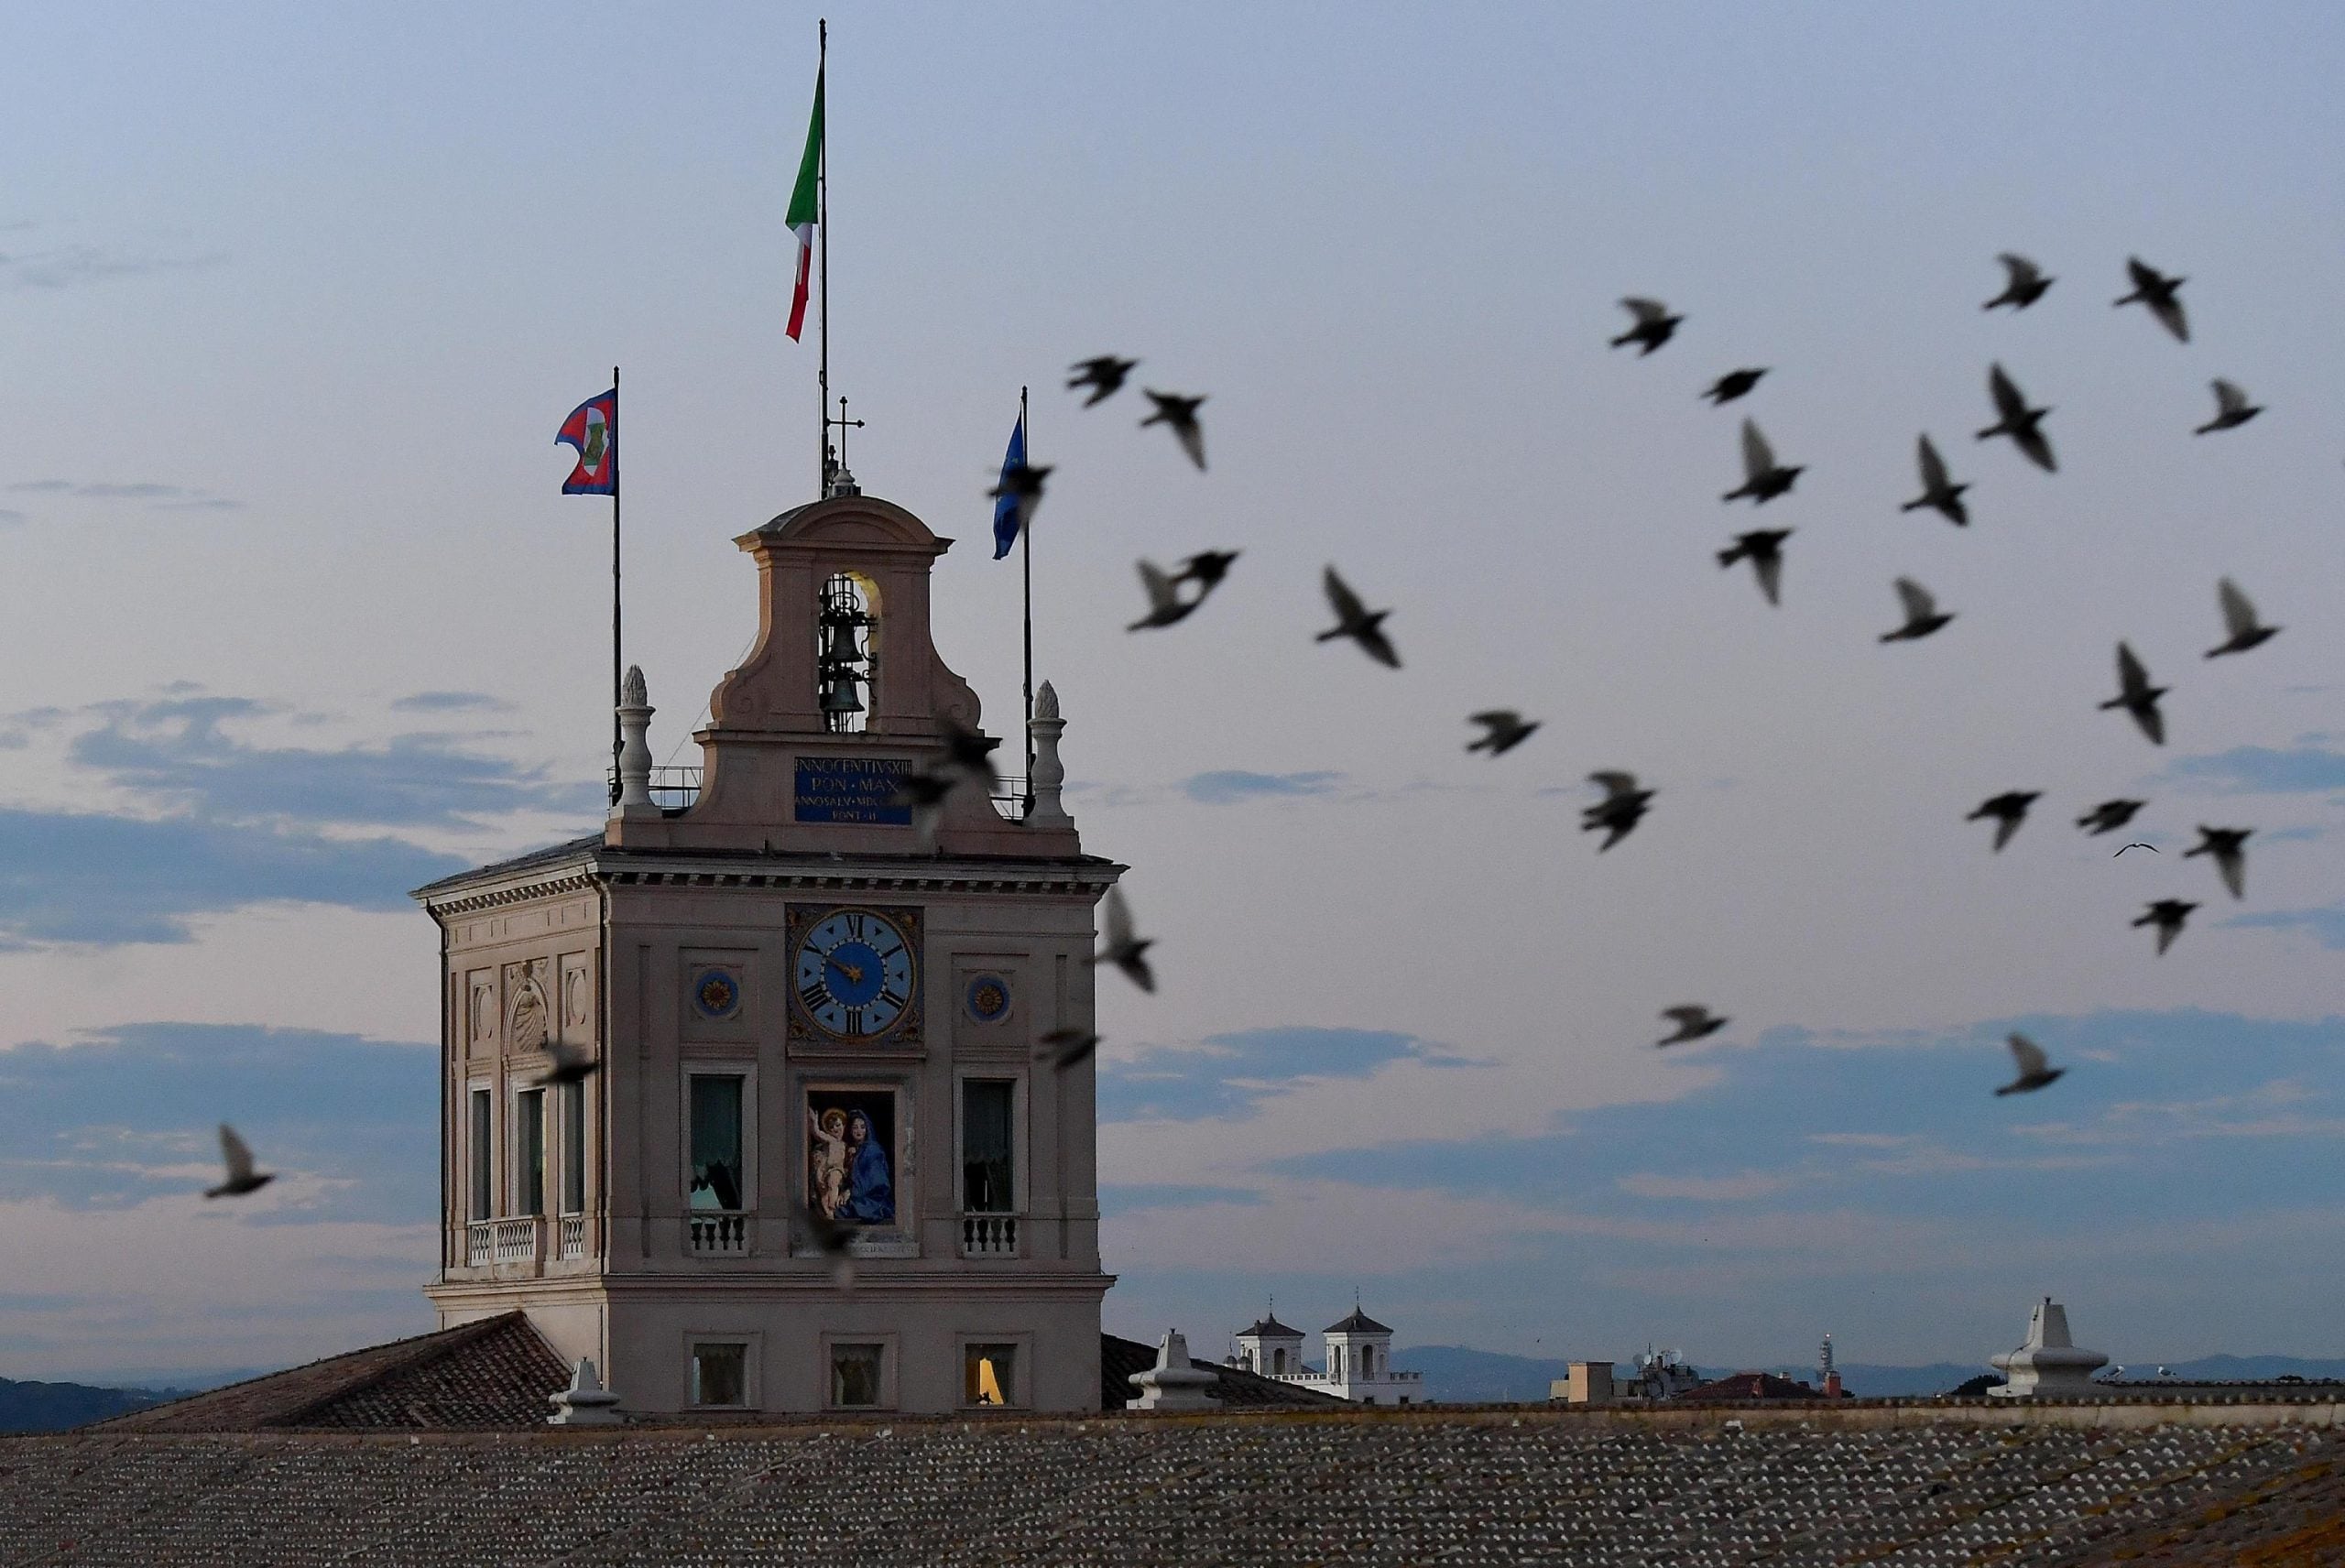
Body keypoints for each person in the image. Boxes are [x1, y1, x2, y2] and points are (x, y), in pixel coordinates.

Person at [842, 1108, 894, 1224]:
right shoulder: (850, 1150)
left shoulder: (873, 1150)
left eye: (862, 1127)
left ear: (867, 1129)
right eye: (855, 1127)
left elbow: (876, 1181)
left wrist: (851, 1192)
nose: (859, 1131)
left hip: (872, 1201)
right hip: (856, 1197)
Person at [808, 1106, 850, 1218]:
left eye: (838, 1125)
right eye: (831, 1127)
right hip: (826, 1169)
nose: (835, 1129)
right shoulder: (830, 1140)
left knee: (833, 1182)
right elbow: (817, 1133)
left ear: (844, 1126)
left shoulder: (844, 1144)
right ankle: (828, 1212)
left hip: (837, 1169)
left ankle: (833, 1205)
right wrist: (814, 1121)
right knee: (824, 1193)